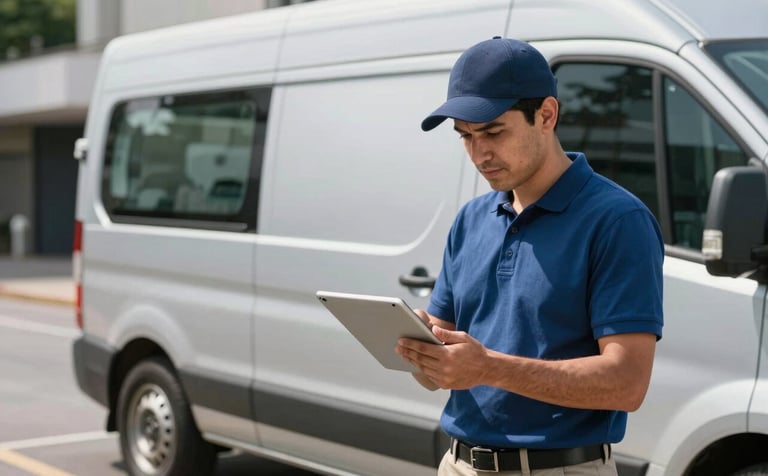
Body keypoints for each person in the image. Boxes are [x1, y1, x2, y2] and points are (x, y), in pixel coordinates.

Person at [395, 37, 664, 476]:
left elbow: (627, 384)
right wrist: (423, 351)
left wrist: (488, 368)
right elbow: (438, 375)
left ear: (546, 115)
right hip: (458, 465)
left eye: (494, 132)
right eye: (466, 137)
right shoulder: (472, 218)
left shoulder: (618, 220)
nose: (479, 153)